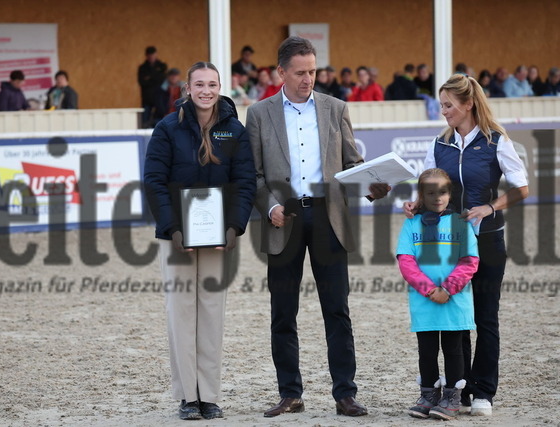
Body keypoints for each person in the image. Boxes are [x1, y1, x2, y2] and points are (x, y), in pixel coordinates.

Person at [246, 36, 390, 419]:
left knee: (337, 310)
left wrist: (372, 185)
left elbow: (352, 162)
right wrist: (271, 207)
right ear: (281, 72)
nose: (308, 79)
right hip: (284, 219)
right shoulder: (258, 114)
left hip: (330, 217)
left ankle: (345, 394)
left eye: (312, 71)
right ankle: (290, 394)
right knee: (283, 313)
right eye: (300, 73)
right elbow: (253, 175)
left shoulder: (335, 108)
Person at [403, 73, 529, 416]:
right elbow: (428, 188)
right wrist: (415, 204)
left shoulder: (496, 141)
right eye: (441, 105)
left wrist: (490, 207)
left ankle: (483, 391)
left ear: (468, 104)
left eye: (448, 105)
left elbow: (521, 188)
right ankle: (460, 391)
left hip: (486, 241)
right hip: (447, 244)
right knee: (456, 319)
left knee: (485, 318)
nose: (443, 111)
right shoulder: (439, 144)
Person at [143, 61, 256, 421]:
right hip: (176, 237)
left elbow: (245, 182)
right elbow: (154, 181)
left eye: (212, 85)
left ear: (220, 88)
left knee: (211, 314)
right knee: (180, 313)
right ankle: (187, 397)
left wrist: (234, 227)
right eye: (200, 84)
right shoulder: (167, 128)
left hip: (218, 238)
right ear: (188, 89)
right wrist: (173, 228)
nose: (206, 91)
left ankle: (209, 395)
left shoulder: (234, 130)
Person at [397, 168, 479, 420]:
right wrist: (430, 289)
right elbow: (406, 261)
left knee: (453, 349)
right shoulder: (411, 224)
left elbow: (469, 261)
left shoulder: (461, 224)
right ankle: (429, 395)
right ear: (421, 195)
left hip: (454, 300)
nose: (437, 197)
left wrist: (447, 289)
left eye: (442, 192)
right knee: (427, 350)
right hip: (424, 301)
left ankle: (452, 398)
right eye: (430, 193)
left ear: (450, 193)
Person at [138, 46, 167, 127]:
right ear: (146, 56)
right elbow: (142, 82)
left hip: (159, 98)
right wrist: (156, 75)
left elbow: (162, 79)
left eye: (153, 55)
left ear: (156, 54)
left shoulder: (162, 66)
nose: (151, 57)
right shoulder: (142, 68)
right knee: (145, 122)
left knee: (160, 121)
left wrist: (149, 77)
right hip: (147, 99)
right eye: (149, 55)